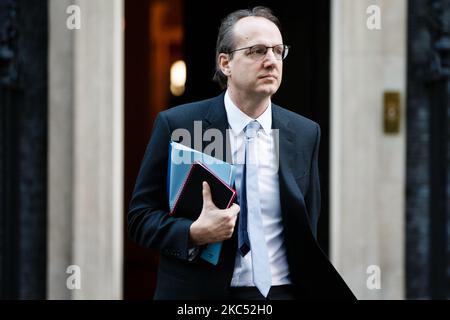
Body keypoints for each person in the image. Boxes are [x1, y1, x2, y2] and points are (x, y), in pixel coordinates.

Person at [128, 6, 356, 300]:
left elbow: (307, 226)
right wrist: (193, 233)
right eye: (257, 51)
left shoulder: (304, 133)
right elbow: (140, 218)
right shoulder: (180, 126)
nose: (271, 61)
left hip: (282, 293)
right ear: (225, 63)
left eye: (277, 50)